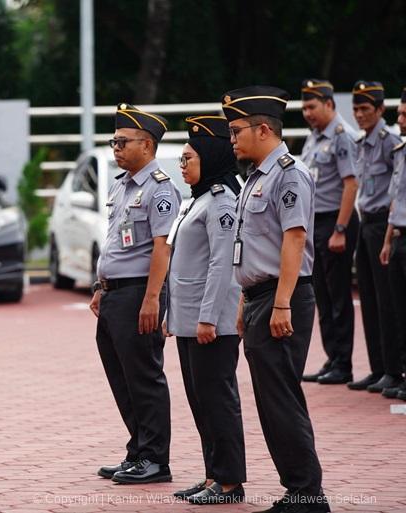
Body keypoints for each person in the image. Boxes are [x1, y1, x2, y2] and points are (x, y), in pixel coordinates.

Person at [222, 86, 329, 513]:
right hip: (261, 296)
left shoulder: (288, 173)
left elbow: (295, 238)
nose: (231, 139)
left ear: (263, 129)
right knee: (271, 400)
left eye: (236, 131)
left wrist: (281, 303)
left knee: (282, 397)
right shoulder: (256, 176)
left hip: (283, 297)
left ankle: (308, 494)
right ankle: (297, 490)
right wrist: (248, 300)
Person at [91, 103, 180, 485]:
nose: (116, 148)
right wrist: (99, 286)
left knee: (144, 376)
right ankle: (138, 449)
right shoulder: (120, 184)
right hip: (113, 294)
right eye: (114, 141)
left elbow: (163, 248)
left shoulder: (160, 189)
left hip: (137, 295)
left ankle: (156, 459)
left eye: (123, 141)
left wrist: (152, 298)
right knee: (121, 376)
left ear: (147, 144)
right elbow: (115, 241)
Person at [164, 115, 246, 504]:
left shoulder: (222, 201)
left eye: (187, 159)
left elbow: (222, 265)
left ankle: (229, 481)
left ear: (209, 158)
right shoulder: (195, 201)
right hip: (189, 319)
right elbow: (182, 263)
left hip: (210, 322)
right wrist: (173, 315)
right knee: (201, 400)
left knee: (218, 399)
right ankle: (213, 474)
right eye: (180, 160)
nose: (181, 166)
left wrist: (209, 317)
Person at [298, 79, 359, 385]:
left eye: (312, 106)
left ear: (329, 104)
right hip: (315, 223)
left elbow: (351, 183)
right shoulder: (314, 138)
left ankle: (344, 363)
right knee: (321, 294)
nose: (307, 112)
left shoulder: (341, 136)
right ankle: (331, 358)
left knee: (338, 296)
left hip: (335, 221)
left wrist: (340, 229)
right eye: (304, 107)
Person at [347, 81, 403, 394]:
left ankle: (394, 369)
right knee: (368, 298)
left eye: (365, 109)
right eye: (355, 109)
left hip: (384, 223)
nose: (359, 115)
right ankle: (378, 366)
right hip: (365, 221)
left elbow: (399, 187)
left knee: (387, 301)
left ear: (380, 110)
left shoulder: (389, 140)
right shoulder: (362, 142)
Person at [379, 86, 406, 401]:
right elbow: (396, 201)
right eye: (399, 113)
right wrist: (388, 240)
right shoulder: (399, 151)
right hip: (398, 235)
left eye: (403, 115)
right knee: (398, 311)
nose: (399, 119)